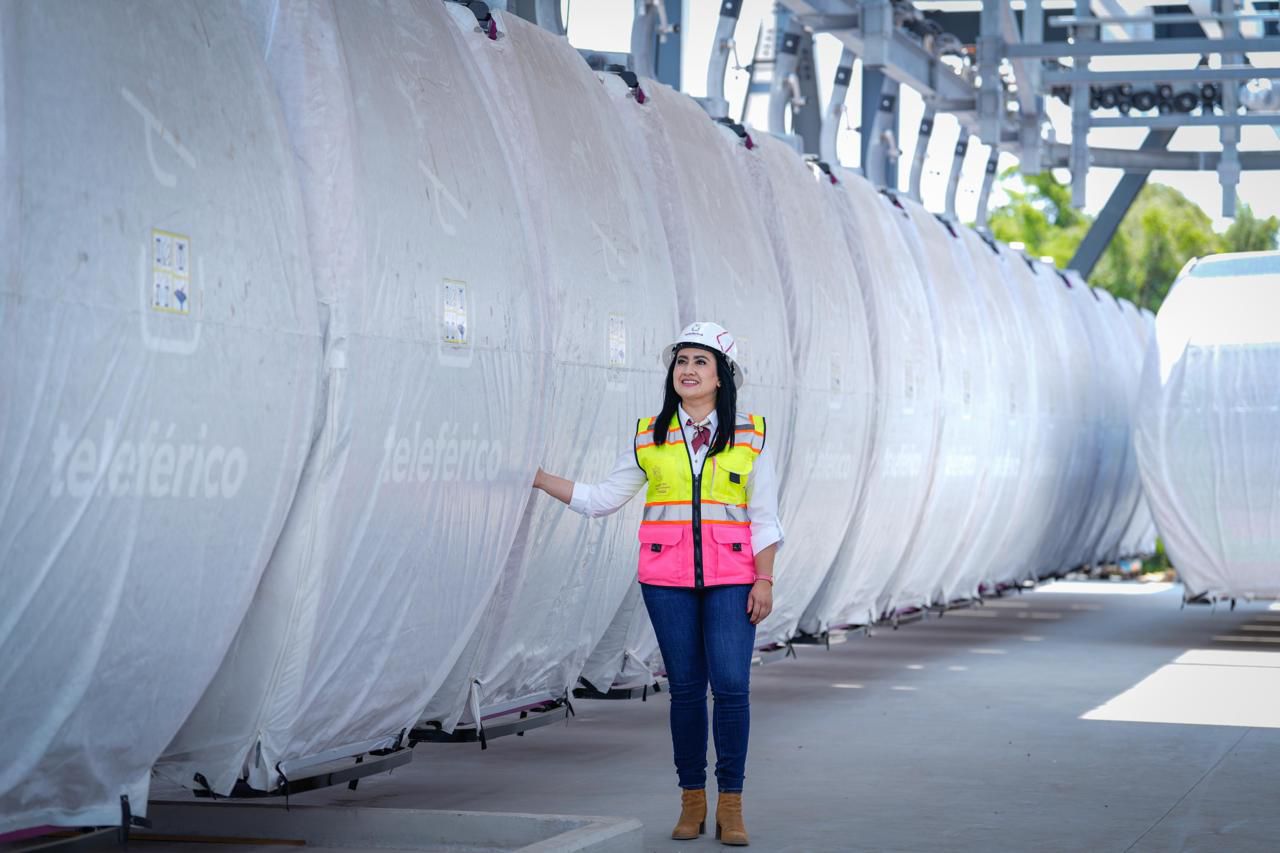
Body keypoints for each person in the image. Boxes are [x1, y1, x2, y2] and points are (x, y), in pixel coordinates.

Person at [533, 321, 782, 846]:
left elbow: (764, 517)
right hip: (666, 581)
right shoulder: (651, 435)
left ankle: (731, 806)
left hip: (734, 580)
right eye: (681, 361)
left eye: (699, 362)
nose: (687, 371)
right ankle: (692, 801)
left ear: (723, 377)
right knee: (686, 691)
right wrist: (533, 476)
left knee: (732, 688)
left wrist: (765, 578)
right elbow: (601, 499)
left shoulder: (751, 435)